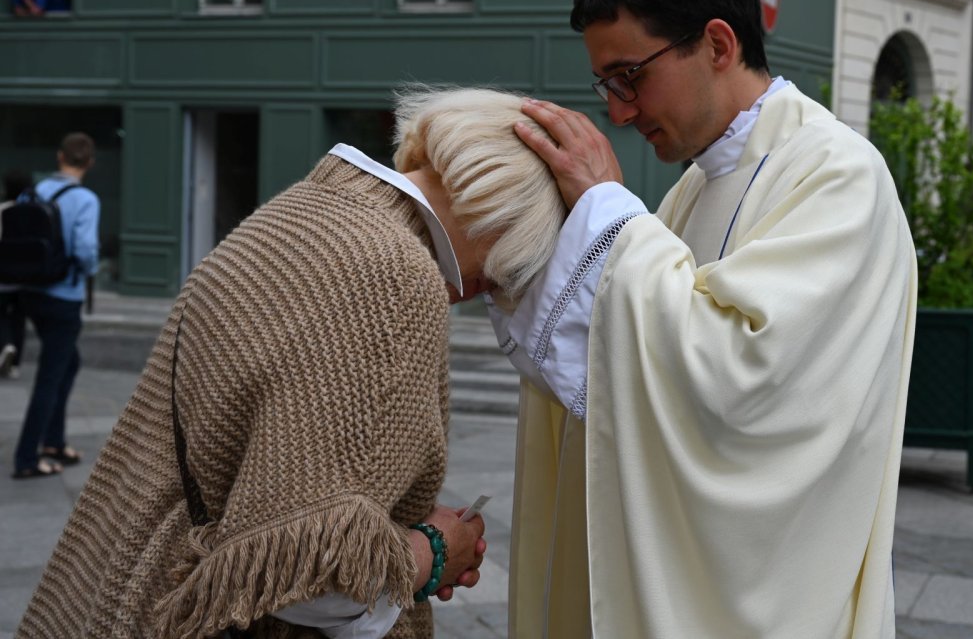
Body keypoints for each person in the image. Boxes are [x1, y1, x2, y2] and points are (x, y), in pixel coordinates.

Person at [16, 88, 567, 639]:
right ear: (504, 214)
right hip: (182, 611)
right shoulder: (394, 272)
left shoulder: (305, 210)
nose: (494, 287)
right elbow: (314, 581)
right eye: (514, 266)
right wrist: (435, 550)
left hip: (123, 581)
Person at [492, 0, 918, 637]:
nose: (618, 111)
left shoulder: (840, 176)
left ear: (717, 45)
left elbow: (744, 379)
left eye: (631, 77)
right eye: (607, 85)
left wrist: (607, 212)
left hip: (777, 591)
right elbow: (620, 354)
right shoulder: (690, 189)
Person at [11, 134, 100, 478]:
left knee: (68, 363)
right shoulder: (85, 199)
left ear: (59, 156)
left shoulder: (32, 193)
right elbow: (85, 249)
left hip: (30, 291)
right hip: (64, 295)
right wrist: (88, 272)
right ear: (89, 162)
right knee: (51, 375)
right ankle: (27, 458)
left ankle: (54, 442)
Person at [0, 169, 33, 379]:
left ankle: (5, 344)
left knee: (1, 314)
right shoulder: (34, 211)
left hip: (3, 274)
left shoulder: (3, 210)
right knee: (19, 319)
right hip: (27, 276)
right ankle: (16, 364)